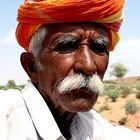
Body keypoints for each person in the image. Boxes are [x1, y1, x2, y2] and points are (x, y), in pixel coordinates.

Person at [0, 0, 140, 140]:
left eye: (99, 48)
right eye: (67, 46)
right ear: (31, 66)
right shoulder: (6, 121)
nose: (89, 66)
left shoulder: (92, 126)